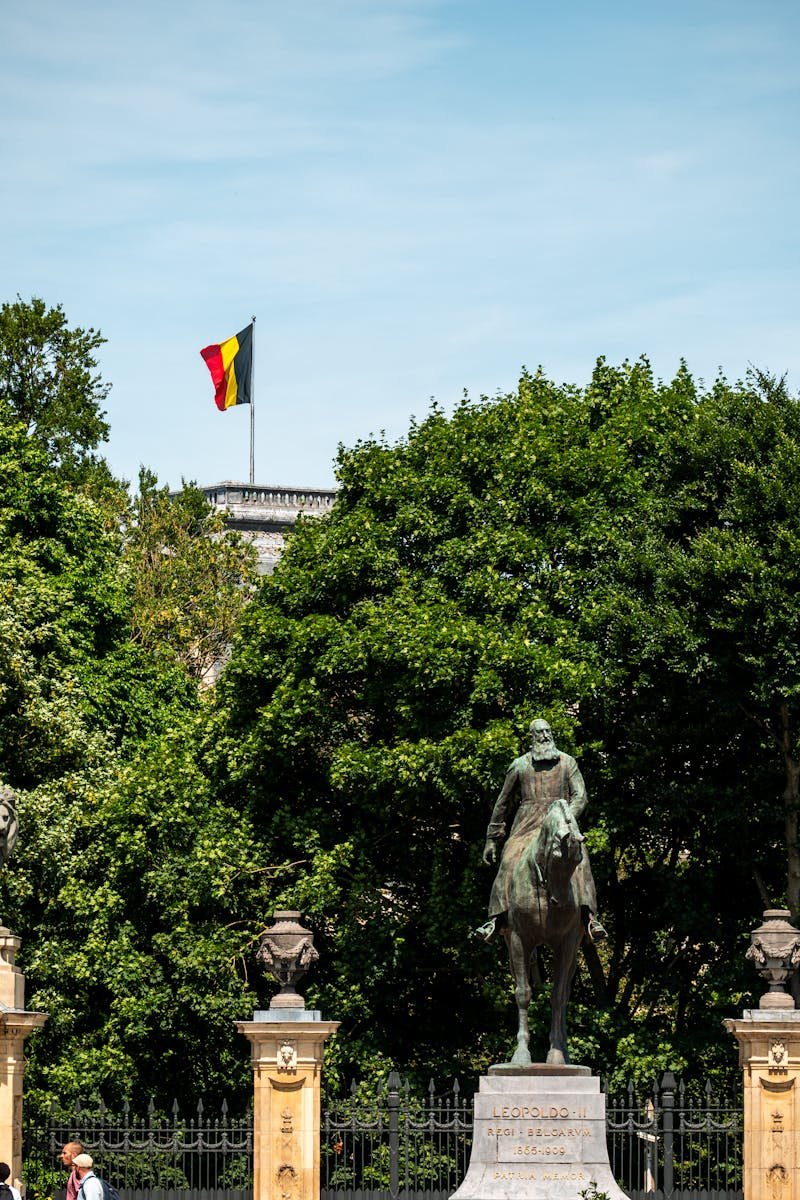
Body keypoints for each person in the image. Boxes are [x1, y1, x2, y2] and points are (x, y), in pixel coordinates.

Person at [476, 718, 607, 944]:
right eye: (540, 732)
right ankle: (497, 918)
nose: (545, 736)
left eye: (548, 731)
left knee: (581, 858)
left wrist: (564, 818)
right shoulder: (519, 765)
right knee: (509, 860)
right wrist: (492, 838)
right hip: (527, 825)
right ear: (532, 737)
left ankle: (589, 917)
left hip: (561, 824)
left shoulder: (568, 762)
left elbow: (580, 796)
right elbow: (503, 803)